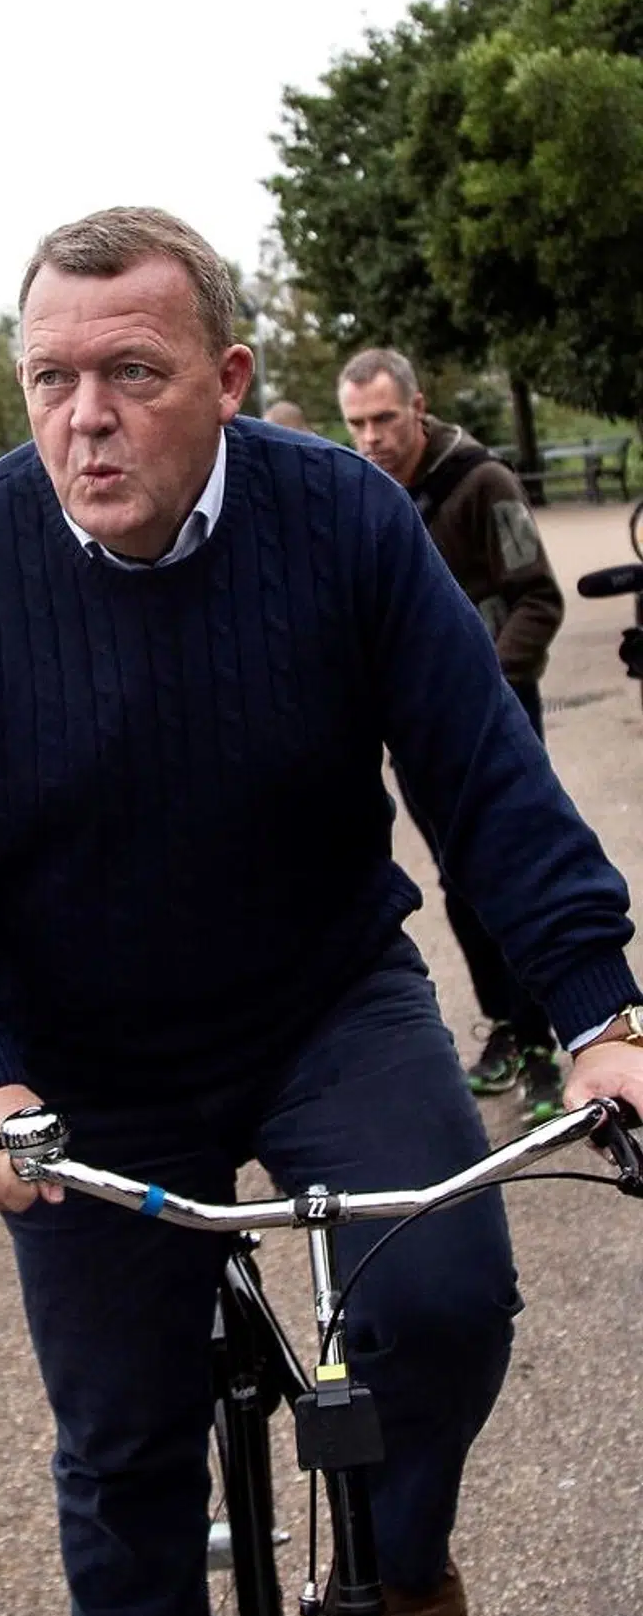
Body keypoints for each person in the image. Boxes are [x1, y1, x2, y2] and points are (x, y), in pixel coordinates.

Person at [0, 207, 643, 1616]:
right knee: (123, 1464)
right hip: (79, 1067)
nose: (86, 415)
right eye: (52, 376)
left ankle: (401, 1548)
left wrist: (603, 1009)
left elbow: (481, 774)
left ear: (230, 376)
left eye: (133, 370)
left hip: (321, 994)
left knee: (451, 1297)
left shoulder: (338, 514)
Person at [337, 350, 567, 1124]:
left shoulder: (482, 482)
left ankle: (544, 1040)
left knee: (514, 868)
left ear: (418, 407)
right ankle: (507, 1022)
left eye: (384, 419)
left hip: (493, 715)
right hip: (414, 732)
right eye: (357, 423)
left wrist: (480, 686)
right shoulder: (362, 497)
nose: (371, 437)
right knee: (458, 883)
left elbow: (536, 597)